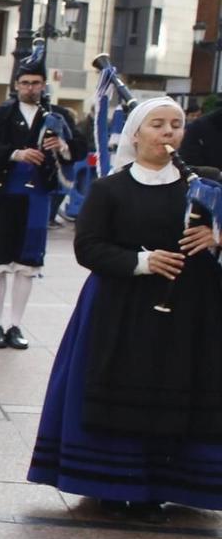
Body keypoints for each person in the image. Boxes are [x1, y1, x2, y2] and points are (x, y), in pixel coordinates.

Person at [29, 97, 222, 516]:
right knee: (122, 386)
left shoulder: (205, 185)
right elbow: (89, 247)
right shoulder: (111, 188)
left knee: (178, 389)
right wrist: (143, 261)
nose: (169, 133)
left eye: (176, 124)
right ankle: (111, 483)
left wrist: (216, 238)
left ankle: (164, 483)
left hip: (190, 313)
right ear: (136, 134)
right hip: (121, 309)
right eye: (157, 125)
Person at [0, 59, 75, 350]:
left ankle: (15, 325)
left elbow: (79, 148)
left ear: (43, 85)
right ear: (16, 85)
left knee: (27, 262)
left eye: (35, 83)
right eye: (25, 83)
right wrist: (16, 154)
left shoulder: (59, 116)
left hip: (38, 197)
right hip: (4, 194)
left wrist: (63, 146)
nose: (30, 88)